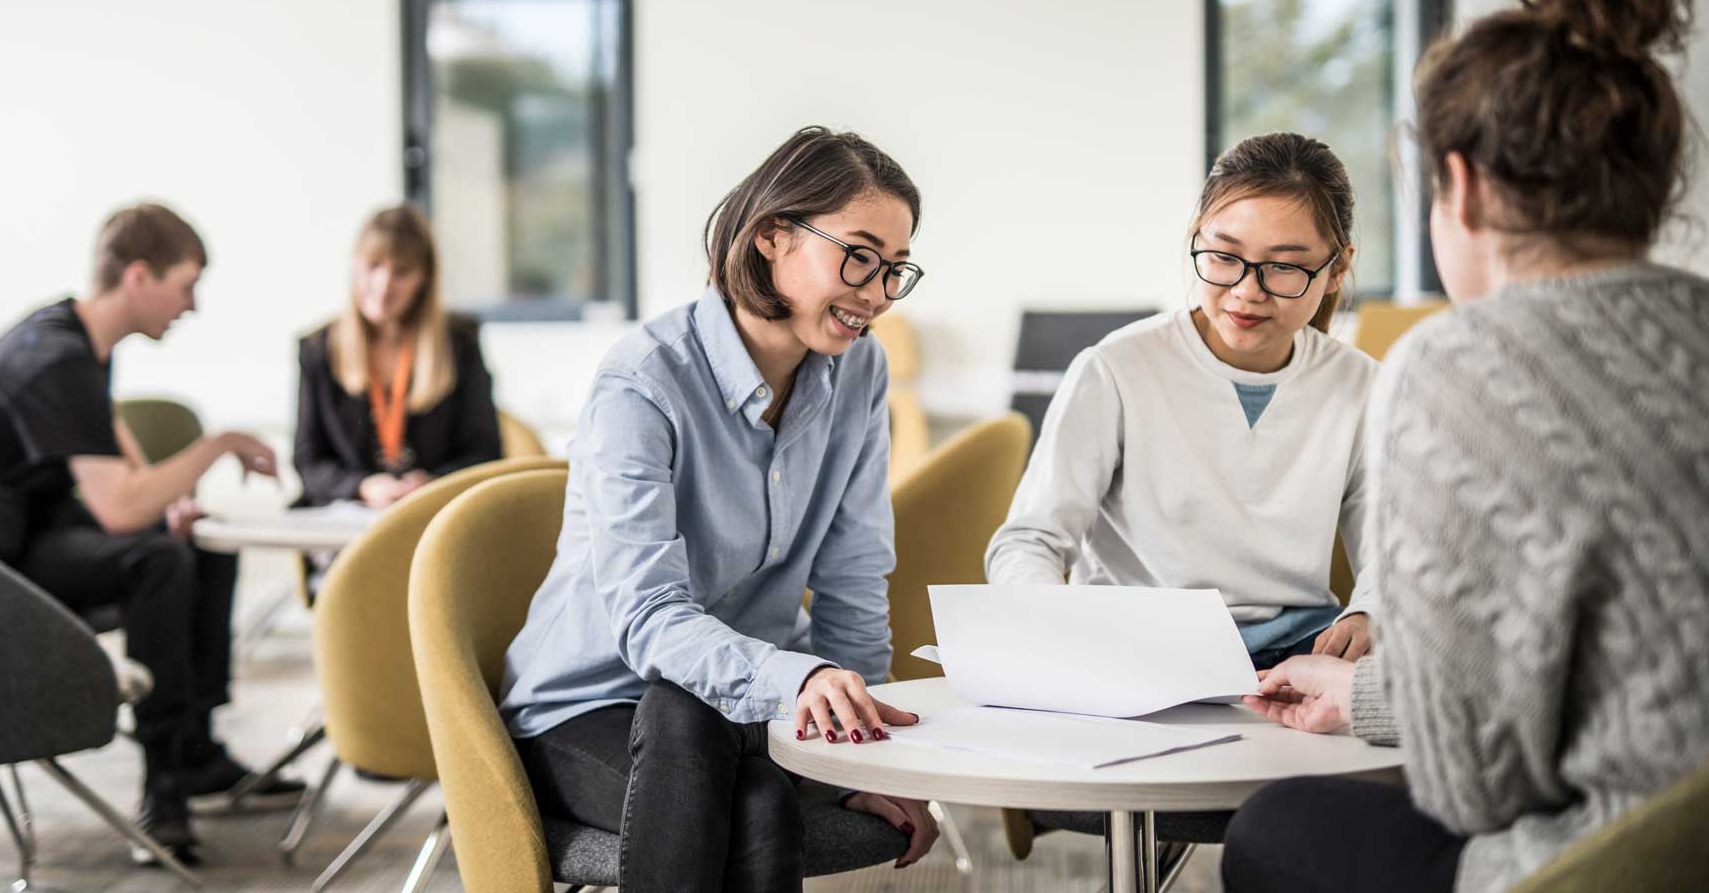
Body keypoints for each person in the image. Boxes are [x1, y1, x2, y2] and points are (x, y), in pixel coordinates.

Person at [1224, 0, 1709, 893]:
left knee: (1276, 827)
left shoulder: (1454, 365)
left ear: (1465, 186)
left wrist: (1402, 706)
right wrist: (1367, 693)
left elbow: (1474, 782)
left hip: (1608, 860)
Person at [496, 126, 939, 891]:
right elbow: (648, 618)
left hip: (742, 711)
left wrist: (865, 750)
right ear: (772, 234)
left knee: (756, 791)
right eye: (860, 255)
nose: (876, 292)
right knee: (692, 719)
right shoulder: (644, 380)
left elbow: (854, 581)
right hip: (586, 706)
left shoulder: (861, 374)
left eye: (896, 269)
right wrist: (798, 683)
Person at [0, 203, 302, 863]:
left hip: (19, 534)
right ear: (140, 276)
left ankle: (194, 748)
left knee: (197, 547)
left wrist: (165, 502)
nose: (193, 304)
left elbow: (111, 448)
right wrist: (217, 446)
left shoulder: (76, 341)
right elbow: (118, 510)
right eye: (186, 284)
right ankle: (164, 783)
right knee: (156, 562)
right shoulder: (54, 357)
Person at [986, 131, 1380, 670]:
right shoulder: (1116, 369)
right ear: (1197, 238)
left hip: (1296, 658)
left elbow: (1392, 555)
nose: (1247, 291)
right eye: (1223, 256)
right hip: (1137, 653)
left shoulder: (1363, 386)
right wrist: (1056, 626)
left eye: (1284, 266)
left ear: (1337, 268)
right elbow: (1030, 541)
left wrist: (1372, 612)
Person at [293, 204, 501, 511]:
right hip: (347, 516)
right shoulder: (317, 348)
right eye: (373, 265)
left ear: (423, 279)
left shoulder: (460, 342)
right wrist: (362, 487)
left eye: (402, 272)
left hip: (432, 513)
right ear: (354, 265)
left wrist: (433, 483)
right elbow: (308, 462)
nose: (383, 285)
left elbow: (485, 453)